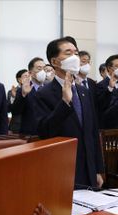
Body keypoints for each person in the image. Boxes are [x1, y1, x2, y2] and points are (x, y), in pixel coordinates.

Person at [34, 36, 104, 188]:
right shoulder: (43, 94)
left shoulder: (84, 91)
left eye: (76, 53)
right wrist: (65, 103)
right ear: (54, 62)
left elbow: (93, 131)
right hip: (62, 168)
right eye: (68, 53)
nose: (74, 57)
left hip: (89, 168)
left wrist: (98, 169)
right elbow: (44, 131)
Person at [11, 57, 46, 135]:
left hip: (48, 132)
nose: (42, 71)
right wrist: (24, 94)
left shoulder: (49, 87)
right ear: (30, 73)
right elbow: (16, 111)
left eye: (44, 69)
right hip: (30, 133)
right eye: (39, 69)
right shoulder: (23, 88)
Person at [96, 56, 118, 129]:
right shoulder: (101, 85)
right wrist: (110, 88)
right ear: (109, 68)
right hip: (109, 129)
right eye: (117, 66)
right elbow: (102, 106)